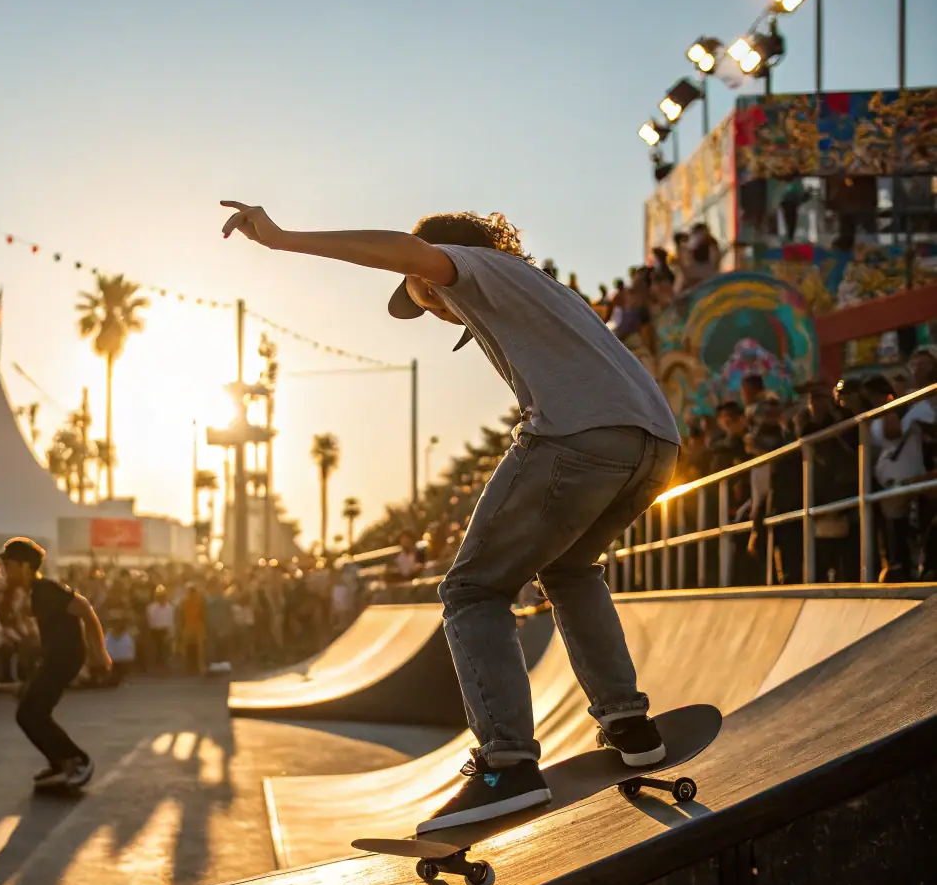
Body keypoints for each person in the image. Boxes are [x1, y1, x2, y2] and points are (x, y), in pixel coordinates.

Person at [221, 202, 680, 831]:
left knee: (470, 591)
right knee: (572, 571)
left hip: (582, 439)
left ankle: (507, 764)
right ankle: (630, 724)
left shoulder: (474, 268)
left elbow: (408, 256)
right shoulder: (542, 291)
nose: (431, 310)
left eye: (423, 298)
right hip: (655, 448)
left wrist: (282, 239)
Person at [0, 537, 110, 789]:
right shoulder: (35, 593)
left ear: (25, 566)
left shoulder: (47, 589)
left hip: (64, 658)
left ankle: (77, 761)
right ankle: (60, 763)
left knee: (31, 713)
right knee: (29, 712)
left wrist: (99, 652)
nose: (6, 571)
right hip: (54, 658)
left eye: (9, 565)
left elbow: (86, 610)